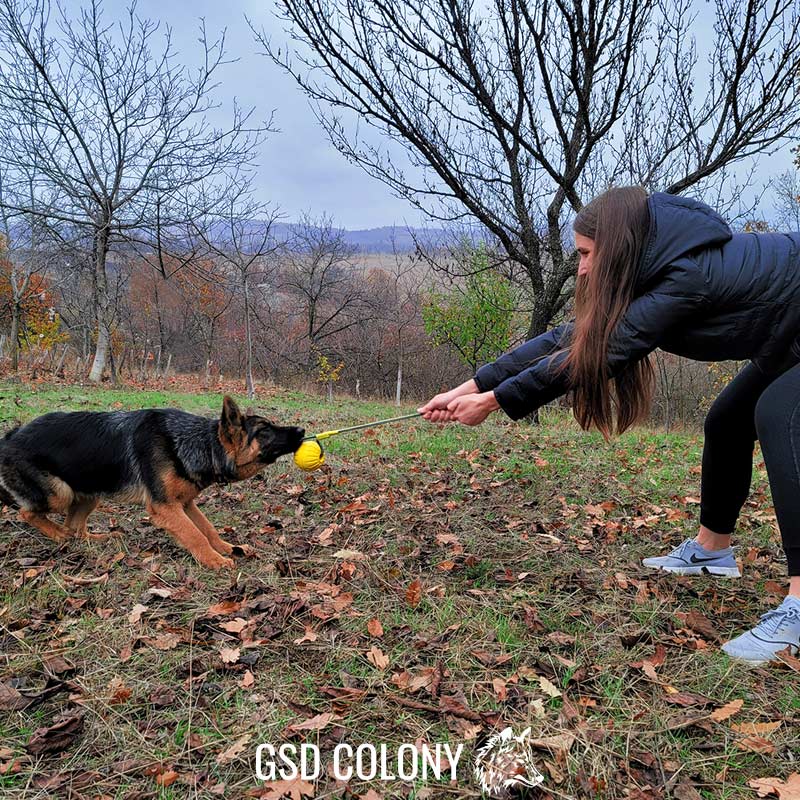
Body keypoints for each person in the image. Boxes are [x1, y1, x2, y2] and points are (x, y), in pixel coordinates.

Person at [419, 187, 800, 665]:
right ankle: (712, 550)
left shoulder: (687, 275)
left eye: (585, 254)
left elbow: (601, 353)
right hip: (787, 338)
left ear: (616, 248)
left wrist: (495, 402)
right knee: (728, 420)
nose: (580, 268)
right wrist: (468, 386)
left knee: (779, 417)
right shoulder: (657, 269)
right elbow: (571, 337)